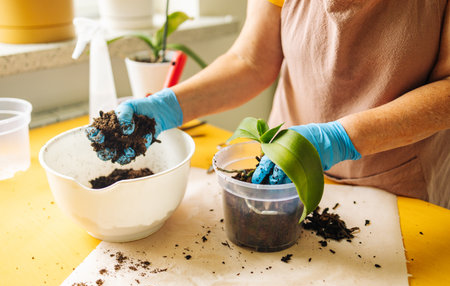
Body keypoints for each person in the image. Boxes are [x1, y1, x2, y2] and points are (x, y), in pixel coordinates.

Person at [88, 0, 450, 208]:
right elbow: (251, 61)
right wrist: (165, 107)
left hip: (399, 183)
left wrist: (339, 138)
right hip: (282, 171)